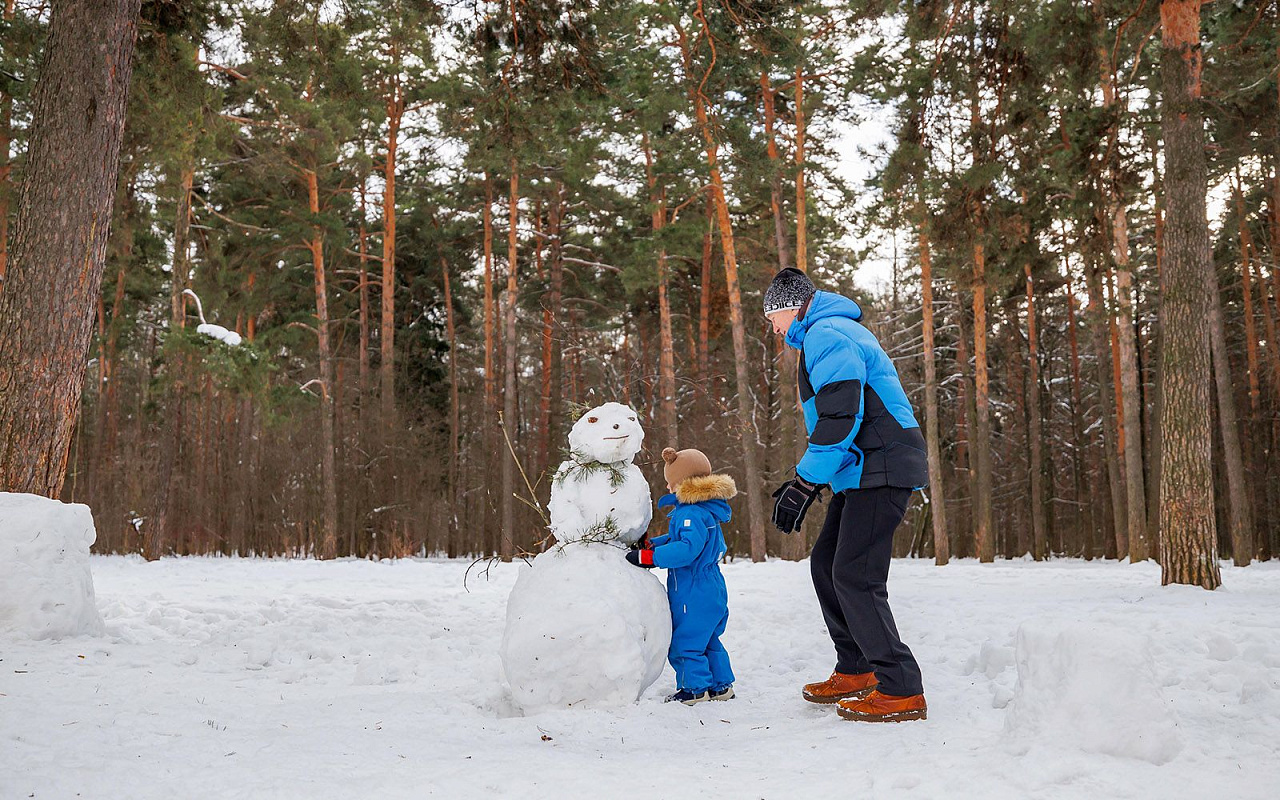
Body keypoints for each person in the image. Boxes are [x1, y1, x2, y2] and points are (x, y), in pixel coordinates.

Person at [763, 267, 929, 722]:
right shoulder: (827, 331)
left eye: (772, 317)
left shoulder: (826, 332)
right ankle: (857, 668)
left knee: (856, 575)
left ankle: (901, 688)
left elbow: (841, 415)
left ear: (789, 308)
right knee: (827, 564)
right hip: (863, 467)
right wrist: (812, 479)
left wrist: (804, 482)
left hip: (882, 463)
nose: (774, 329)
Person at [625, 447, 736, 706]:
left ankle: (694, 689)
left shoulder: (689, 513)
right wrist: (656, 545)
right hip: (711, 586)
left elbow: (687, 550)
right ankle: (721, 686)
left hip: (694, 590)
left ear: (683, 483)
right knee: (707, 639)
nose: (667, 484)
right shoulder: (704, 509)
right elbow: (684, 540)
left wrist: (650, 558)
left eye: (670, 481)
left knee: (686, 641)